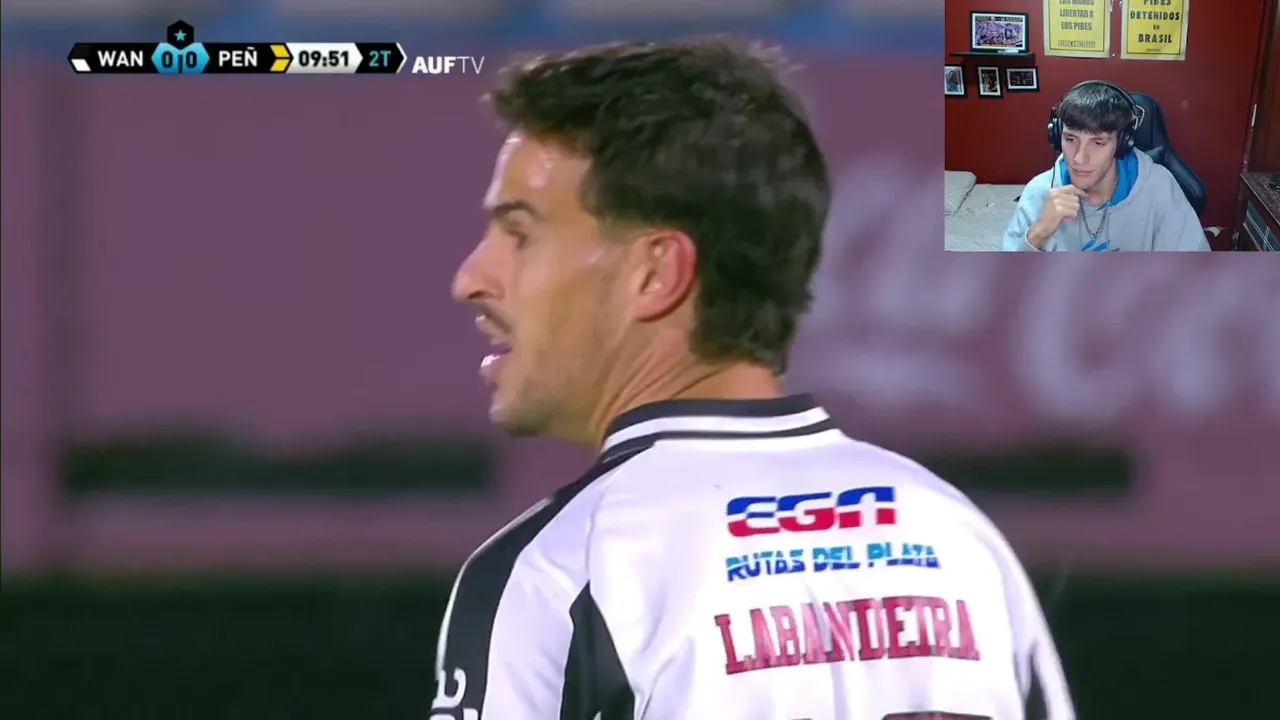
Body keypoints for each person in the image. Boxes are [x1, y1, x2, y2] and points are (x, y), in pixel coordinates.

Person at [437, 39, 1075, 720]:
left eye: (520, 233)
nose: (470, 278)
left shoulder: (562, 569)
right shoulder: (959, 536)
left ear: (655, 273)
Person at [1003, 80, 1210, 251]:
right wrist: (1037, 233)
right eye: (1071, 139)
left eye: (1098, 143)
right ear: (1058, 136)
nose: (1079, 158)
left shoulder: (1159, 187)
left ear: (1121, 143)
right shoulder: (1039, 193)